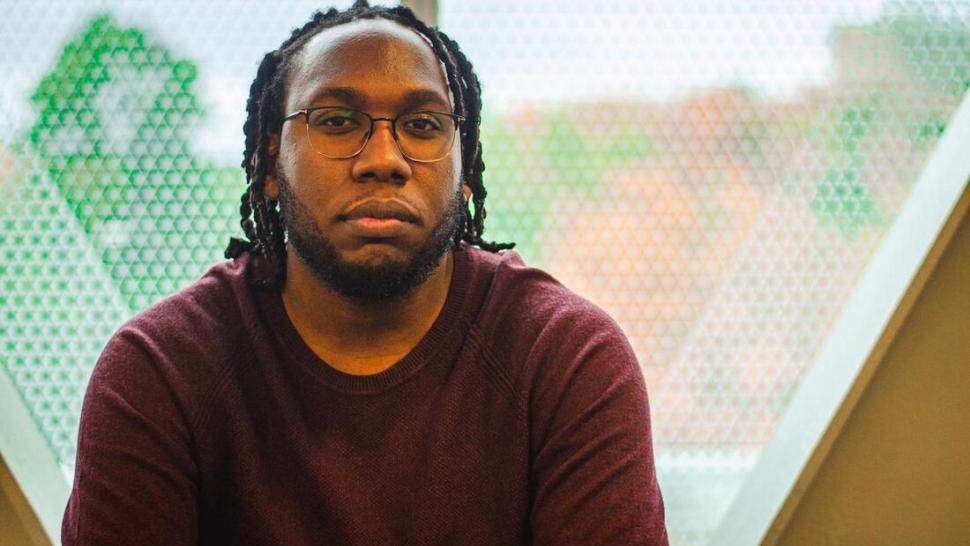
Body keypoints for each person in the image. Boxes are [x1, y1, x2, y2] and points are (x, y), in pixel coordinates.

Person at [61, 2, 668, 544]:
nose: (384, 159)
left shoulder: (567, 360)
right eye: (337, 121)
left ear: (463, 165)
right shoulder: (159, 371)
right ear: (269, 162)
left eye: (424, 125)